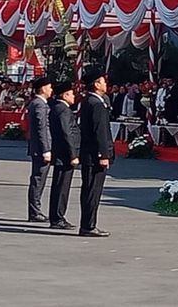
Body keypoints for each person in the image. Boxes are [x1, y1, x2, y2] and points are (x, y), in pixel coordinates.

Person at [79, 68, 113, 237]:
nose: (106, 84)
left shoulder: (88, 101)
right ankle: (89, 225)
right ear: (96, 84)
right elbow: (100, 132)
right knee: (93, 190)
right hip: (94, 155)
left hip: (87, 153)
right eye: (103, 81)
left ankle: (87, 223)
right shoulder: (97, 104)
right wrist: (104, 154)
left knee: (88, 188)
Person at [48, 82, 80, 229]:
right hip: (64, 154)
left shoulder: (57, 108)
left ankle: (56, 216)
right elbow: (66, 133)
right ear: (65, 95)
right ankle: (58, 218)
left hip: (61, 153)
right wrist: (73, 154)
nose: (74, 96)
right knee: (61, 187)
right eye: (71, 93)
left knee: (59, 186)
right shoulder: (63, 110)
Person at [27, 76, 53, 223]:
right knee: (38, 180)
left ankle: (34, 210)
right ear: (43, 88)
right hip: (41, 148)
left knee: (38, 179)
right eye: (49, 87)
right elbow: (41, 128)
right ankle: (35, 211)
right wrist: (46, 149)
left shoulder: (36, 103)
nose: (51, 90)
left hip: (38, 147)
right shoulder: (40, 104)